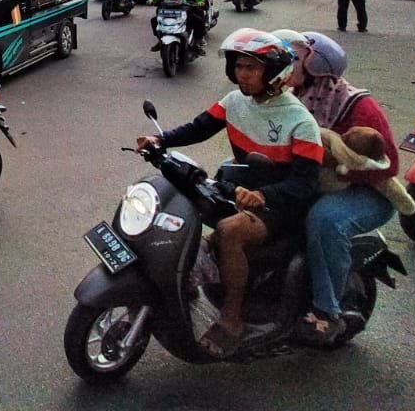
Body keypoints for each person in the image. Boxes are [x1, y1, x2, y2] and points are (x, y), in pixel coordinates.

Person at [135, 28, 322, 357]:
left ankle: (232, 316)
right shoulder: (235, 101)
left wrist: (265, 196)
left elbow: (305, 184)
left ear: (274, 72)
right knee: (188, 208)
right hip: (242, 189)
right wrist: (160, 141)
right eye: (238, 67)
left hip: (283, 206)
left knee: (228, 231)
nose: (243, 74)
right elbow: (200, 127)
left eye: (251, 68)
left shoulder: (300, 121)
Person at [269, 30, 403, 345]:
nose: (281, 67)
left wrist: (337, 166)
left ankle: (327, 311)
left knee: (325, 219)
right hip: (311, 181)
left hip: (367, 191)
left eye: (291, 60)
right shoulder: (283, 98)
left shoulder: (356, 105)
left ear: (316, 68)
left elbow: (391, 166)